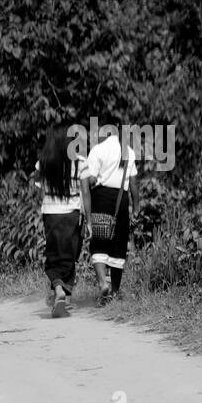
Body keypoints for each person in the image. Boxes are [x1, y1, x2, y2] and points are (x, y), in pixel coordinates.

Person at [32, 124, 88, 318]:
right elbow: (86, 192)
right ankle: (63, 294)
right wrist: (88, 218)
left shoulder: (43, 162)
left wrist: (45, 204)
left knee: (53, 254)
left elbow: (38, 187)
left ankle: (59, 291)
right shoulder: (80, 162)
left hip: (51, 213)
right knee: (71, 253)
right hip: (72, 213)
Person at [85, 122, 139, 306]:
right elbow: (133, 185)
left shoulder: (98, 150)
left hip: (100, 199)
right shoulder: (129, 152)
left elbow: (91, 179)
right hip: (121, 201)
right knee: (118, 246)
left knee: (99, 243)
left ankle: (102, 283)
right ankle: (114, 291)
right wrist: (136, 208)